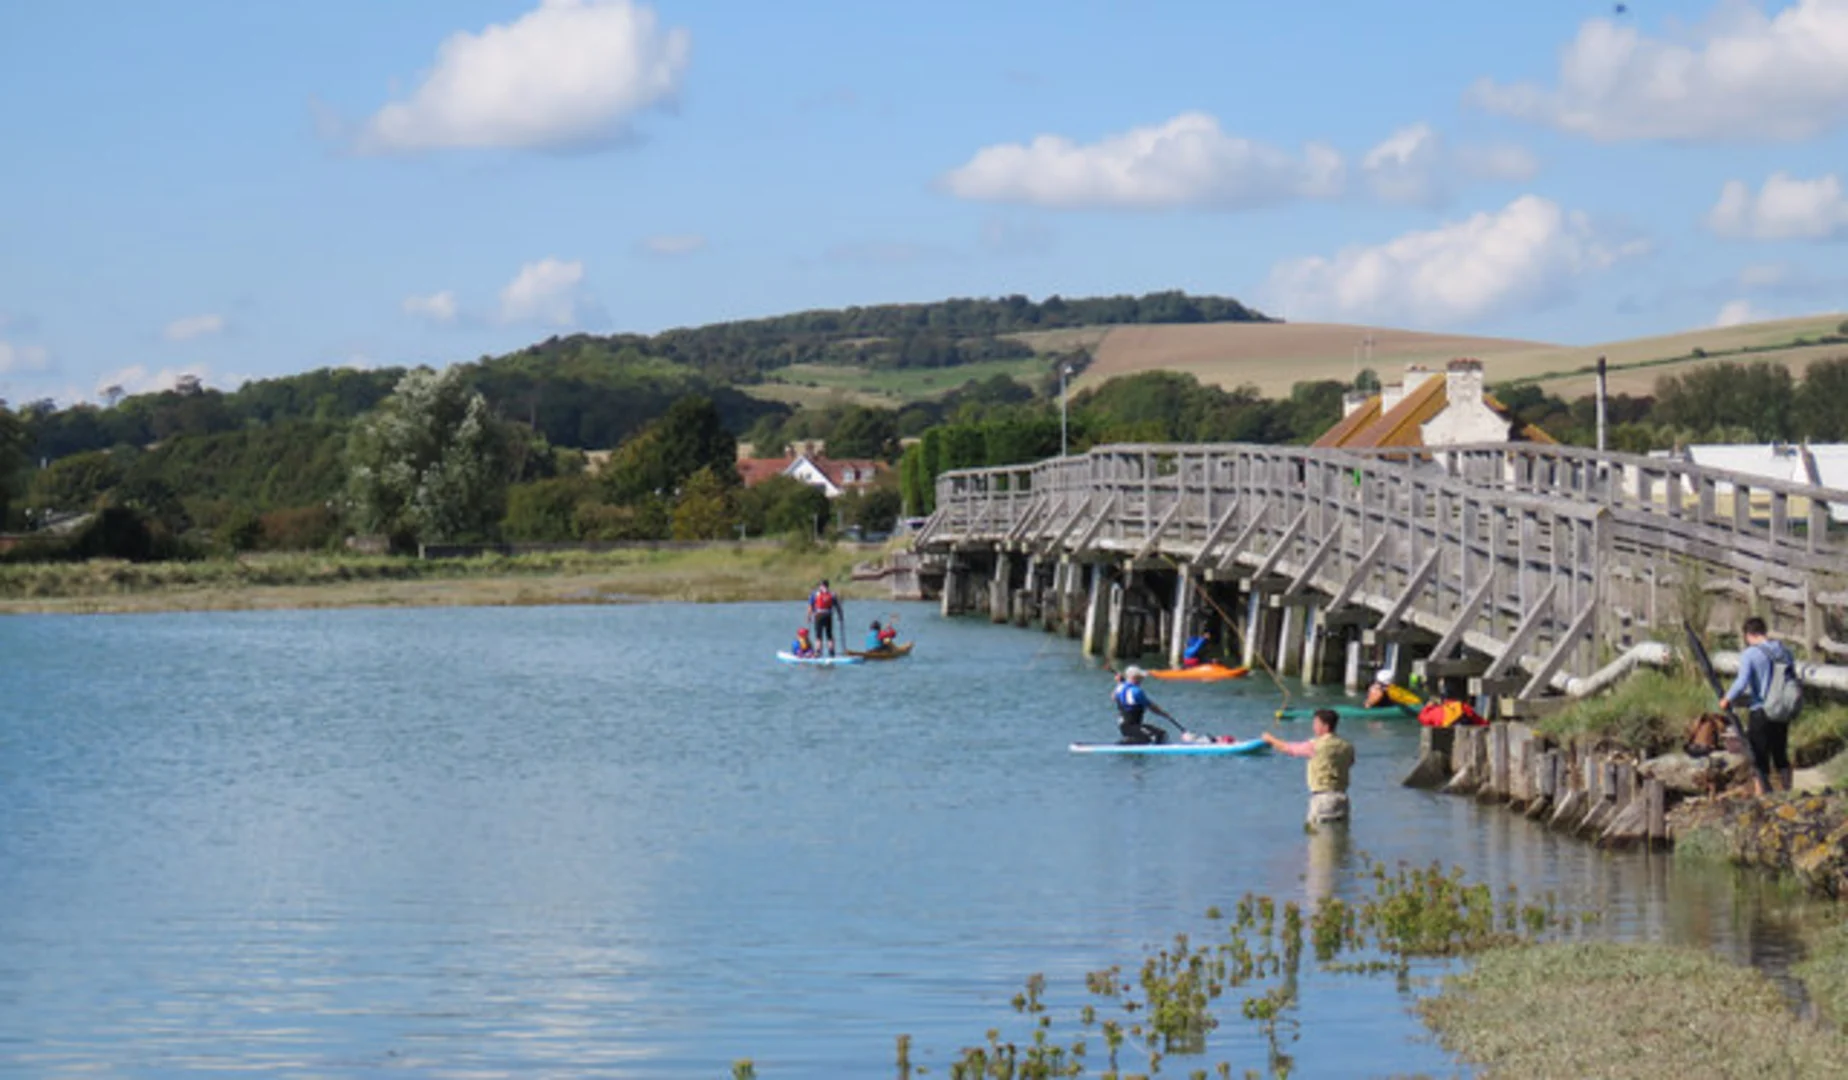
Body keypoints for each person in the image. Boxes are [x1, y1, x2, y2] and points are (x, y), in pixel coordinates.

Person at [1719, 616, 1797, 795]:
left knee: (1759, 756)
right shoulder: (1785, 651)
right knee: (1780, 752)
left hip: (1760, 709)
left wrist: (1727, 699)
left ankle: (1761, 795)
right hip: (1781, 709)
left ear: (1748, 635)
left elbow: (1742, 682)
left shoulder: (1751, 654)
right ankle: (1787, 792)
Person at [1261, 708, 1355, 825]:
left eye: (1316, 724)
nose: (1313, 727)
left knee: (1317, 837)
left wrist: (1270, 739)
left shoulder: (1314, 745)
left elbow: (1288, 748)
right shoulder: (1347, 746)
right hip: (1342, 800)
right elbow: (1350, 762)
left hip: (1322, 800)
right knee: (1339, 838)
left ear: (1325, 726)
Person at [1113, 666, 1175, 745]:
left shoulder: (1120, 687)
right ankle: (1122, 744)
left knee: (1161, 734)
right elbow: (1151, 707)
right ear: (1135, 678)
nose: (1142, 680)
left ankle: (1131, 741)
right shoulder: (1137, 691)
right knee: (1158, 736)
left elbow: (1114, 697)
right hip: (1132, 726)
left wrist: (1120, 683)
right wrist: (1164, 714)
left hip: (1125, 727)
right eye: (1140, 678)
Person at [808, 579, 844, 657]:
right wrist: (840, 616)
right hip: (828, 616)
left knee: (818, 635)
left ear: (820, 586)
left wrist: (809, 617)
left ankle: (818, 652)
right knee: (829, 634)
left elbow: (810, 607)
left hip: (818, 616)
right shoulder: (832, 594)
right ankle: (831, 652)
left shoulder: (815, 594)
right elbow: (838, 607)